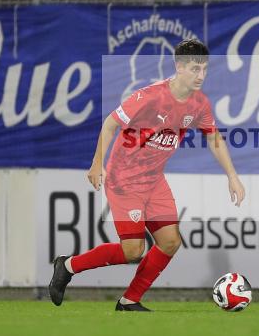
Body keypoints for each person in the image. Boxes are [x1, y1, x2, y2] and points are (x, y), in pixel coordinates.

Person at [49, 39, 246, 312]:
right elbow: (110, 123)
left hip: (154, 181)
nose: (201, 75)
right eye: (194, 69)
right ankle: (68, 266)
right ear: (179, 67)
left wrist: (232, 176)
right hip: (124, 180)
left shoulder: (199, 103)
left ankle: (129, 301)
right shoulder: (150, 97)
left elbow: (214, 139)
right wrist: (97, 163)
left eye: (204, 69)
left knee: (170, 242)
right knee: (133, 250)